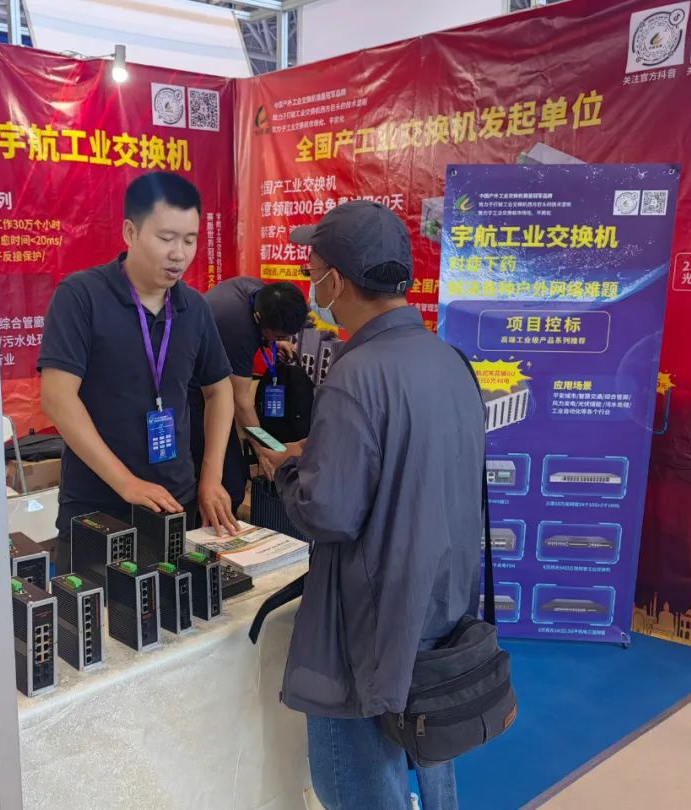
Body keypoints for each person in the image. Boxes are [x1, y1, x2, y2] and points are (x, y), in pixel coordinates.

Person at [256, 201, 485, 810]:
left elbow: (327, 512)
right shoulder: (449, 359)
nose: (310, 280)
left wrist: (289, 471)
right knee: (430, 751)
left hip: (368, 617)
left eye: (313, 268)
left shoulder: (355, 374)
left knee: (356, 782)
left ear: (337, 281)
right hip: (441, 598)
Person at [39, 171, 240, 567]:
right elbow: (57, 398)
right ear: (130, 232)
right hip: (97, 504)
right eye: (166, 238)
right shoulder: (82, 296)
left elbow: (220, 390)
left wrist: (210, 477)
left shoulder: (194, 308)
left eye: (189, 240)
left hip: (174, 501)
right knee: (90, 604)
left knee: (170, 603)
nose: (179, 254)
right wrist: (125, 482)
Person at [188, 279, 309, 513]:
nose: (281, 340)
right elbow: (241, 401)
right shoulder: (237, 329)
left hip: (213, 382)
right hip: (191, 390)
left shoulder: (263, 294)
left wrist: (275, 340)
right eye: (278, 335)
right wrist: (263, 449)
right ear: (258, 319)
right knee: (230, 482)